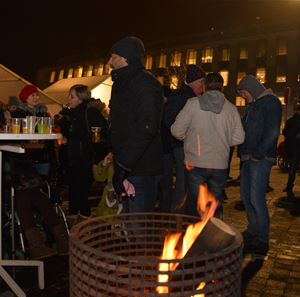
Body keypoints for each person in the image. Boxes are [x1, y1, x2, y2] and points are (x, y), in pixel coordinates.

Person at [171, 72, 245, 219]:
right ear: (222, 88)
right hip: (220, 165)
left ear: (204, 86)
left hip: (195, 163)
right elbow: (239, 138)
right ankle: (214, 238)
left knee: (194, 206)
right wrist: (223, 141)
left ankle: (194, 237)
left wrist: (188, 139)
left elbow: (176, 130)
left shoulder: (193, 104)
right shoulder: (230, 108)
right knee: (215, 207)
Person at [108, 36, 164, 214]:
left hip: (141, 168)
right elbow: (123, 125)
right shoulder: (121, 83)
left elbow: (147, 126)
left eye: (113, 56)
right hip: (127, 165)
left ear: (125, 58)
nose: (109, 61)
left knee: (141, 228)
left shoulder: (144, 82)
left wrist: (124, 164)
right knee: (130, 226)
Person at [236, 75, 282, 256]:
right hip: (249, 157)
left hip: (259, 158)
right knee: (246, 196)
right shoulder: (253, 105)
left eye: (244, 93)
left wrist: (258, 154)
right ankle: (253, 230)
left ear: (252, 90)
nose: (244, 97)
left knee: (256, 198)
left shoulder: (270, 103)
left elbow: (272, 131)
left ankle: (262, 238)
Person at [60, 84, 108, 220]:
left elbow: (98, 135)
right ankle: (74, 212)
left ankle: (84, 218)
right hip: (74, 158)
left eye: (72, 96)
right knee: (74, 186)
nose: (68, 98)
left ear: (80, 99)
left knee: (82, 189)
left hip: (86, 158)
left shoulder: (90, 112)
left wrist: (95, 155)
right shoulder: (72, 114)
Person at [165, 65, 205, 212]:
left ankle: (184, 216)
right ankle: (177, 218)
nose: (203, 86)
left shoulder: (190, 97)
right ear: (193, 82)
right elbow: (171, 123)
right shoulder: (183, 98)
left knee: (188, 183)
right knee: (183, 183)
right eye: (201, 82)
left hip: (186, 146)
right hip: (183, 147)